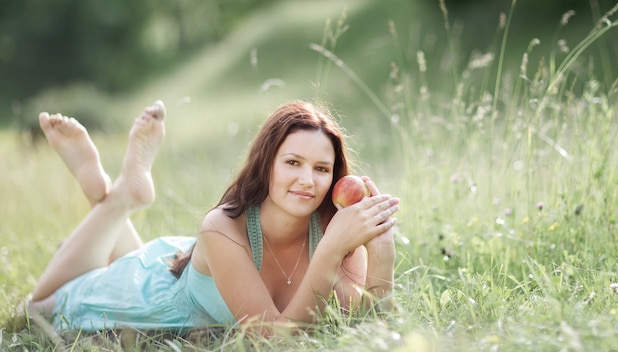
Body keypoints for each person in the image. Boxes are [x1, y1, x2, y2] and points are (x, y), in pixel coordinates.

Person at [25, 100, 400, 336]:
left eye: (322, 168)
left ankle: (112, 197)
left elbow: (368, 322)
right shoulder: (221, 228)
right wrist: (331, 250)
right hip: (149, 295)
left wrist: (381, 252)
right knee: (32, 311)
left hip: (190, 266)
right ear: (266, 165)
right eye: (292, 163)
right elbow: (272, 337)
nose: (307, 180)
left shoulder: (338, 225)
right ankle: (119, 199)